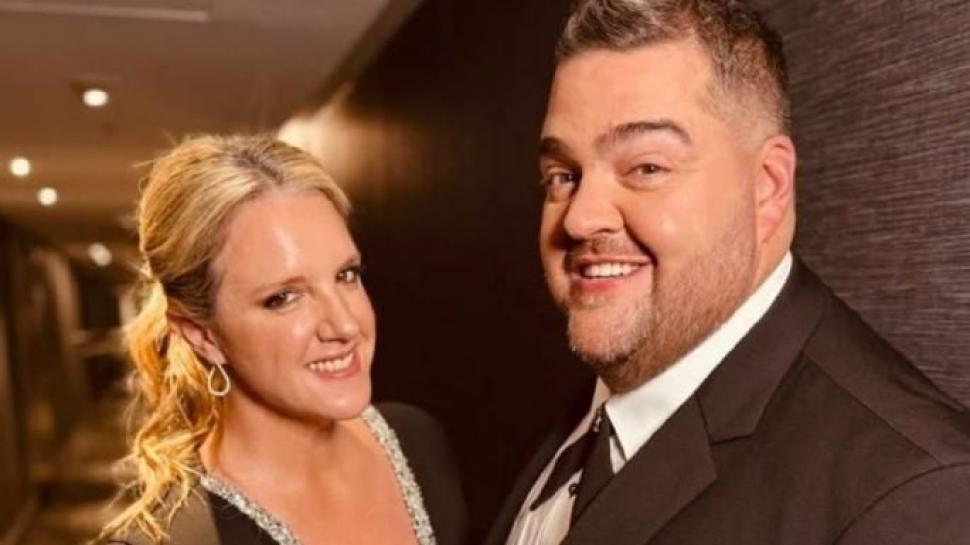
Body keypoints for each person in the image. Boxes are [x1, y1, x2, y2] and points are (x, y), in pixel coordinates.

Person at [487, 1, 970, 544]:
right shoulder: (625, 366)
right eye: (562, 175)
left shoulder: (918, 497)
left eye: (646, 167)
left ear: (767, 187)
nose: (580, 218)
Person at [99, 135, 466, 545]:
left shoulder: (417, 441)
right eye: (283, 298)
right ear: (202, 335)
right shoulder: (174, 539)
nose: (345, 325)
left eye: (346, 275)